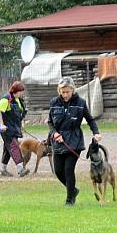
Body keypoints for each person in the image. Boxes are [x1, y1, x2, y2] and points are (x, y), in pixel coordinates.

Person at [47, 77, 101, 205]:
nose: (65, 94)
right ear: (59, 91)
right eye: (62, 91)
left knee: (68, 170)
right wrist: (54, 133)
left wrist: (96, 133)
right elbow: (50, 122)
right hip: (58, 141)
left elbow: (90, 120)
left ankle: (70, 199)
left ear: (73, 90)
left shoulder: (81, 103)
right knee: (58, 171)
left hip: (74, 141)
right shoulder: (54, 102)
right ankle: (73, 190)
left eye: (67, 91)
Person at [0, 81, 30, 178]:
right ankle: (20, 169)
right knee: (14, 146)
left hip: (14, 128)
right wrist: (1, 124)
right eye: (21, 91)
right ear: (16, 91)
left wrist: (21, 124)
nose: (22, 93)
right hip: (6, 129)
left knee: (8, 149)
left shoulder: (18, 100)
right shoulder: (6, 99)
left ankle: (3, 169)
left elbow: (19, 115)